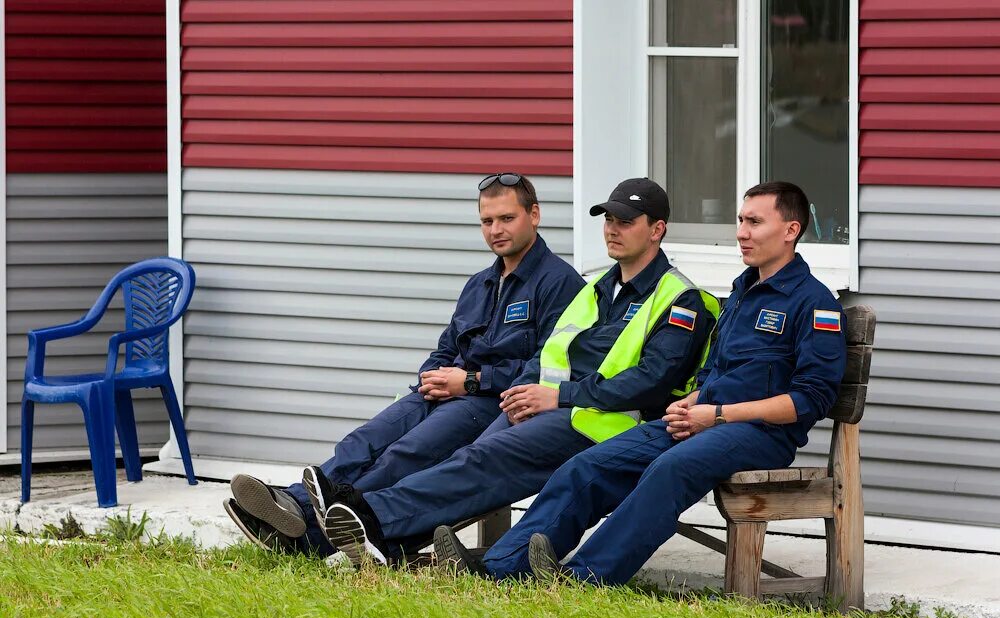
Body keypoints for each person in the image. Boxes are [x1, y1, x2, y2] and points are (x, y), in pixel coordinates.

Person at [435, 181, 848, 585]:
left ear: (791, 230)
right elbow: (717, 371)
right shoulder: (743, 291)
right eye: (740, 220)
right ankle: (504, 567)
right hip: (704, 420)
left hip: (760, 434)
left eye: (754, 222)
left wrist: (718, 415)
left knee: (669, 468)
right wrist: (695, 401)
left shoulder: (814, 303)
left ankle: (586, 577)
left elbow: (811, 398)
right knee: (589, 465)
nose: (741, 232)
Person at [317, 177, 720, 566]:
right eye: (608, 221)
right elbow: (549, 354)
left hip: (607, 424)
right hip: (554, 408)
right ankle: (385, 541)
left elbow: (652, 380)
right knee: (472, 457)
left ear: (657, 230)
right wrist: (525, 391)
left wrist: (557, 397)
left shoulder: (680, 298)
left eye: (626, 222)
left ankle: (370, 516)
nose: (612, 230)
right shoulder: (595, 288)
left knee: (484, 459)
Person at [222, 172, 584, 554]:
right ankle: (292, 504)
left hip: (488, 400)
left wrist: (470, 381)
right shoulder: (480, 283)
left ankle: (311, 536)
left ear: (535, 215)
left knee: (404, 453)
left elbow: (546, 367)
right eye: (487, 221)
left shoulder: (559, 283)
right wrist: (433, 376)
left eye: (506, 219)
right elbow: (446, 346)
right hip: (444, 392)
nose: (496, 230)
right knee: (363, 441)